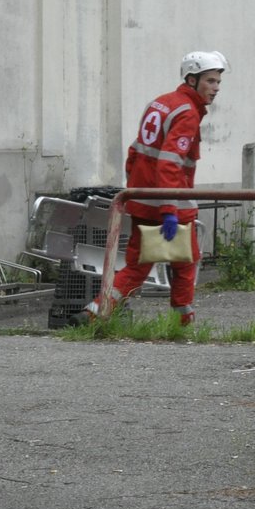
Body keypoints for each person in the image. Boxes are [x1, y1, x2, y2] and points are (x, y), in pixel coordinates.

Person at [78, 51, 228, 327]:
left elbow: (134, 152)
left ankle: (96, 312)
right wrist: (170, 209)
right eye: (210, 81)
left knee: (137, 265)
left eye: (218, 82)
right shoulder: (187, 113)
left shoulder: (161, 103)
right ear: (192, 80)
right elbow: (170, 163)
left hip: (144, 200)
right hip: (170, 204)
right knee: (186, 263)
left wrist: (133, 192)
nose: (216, 88)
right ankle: (182, 325)